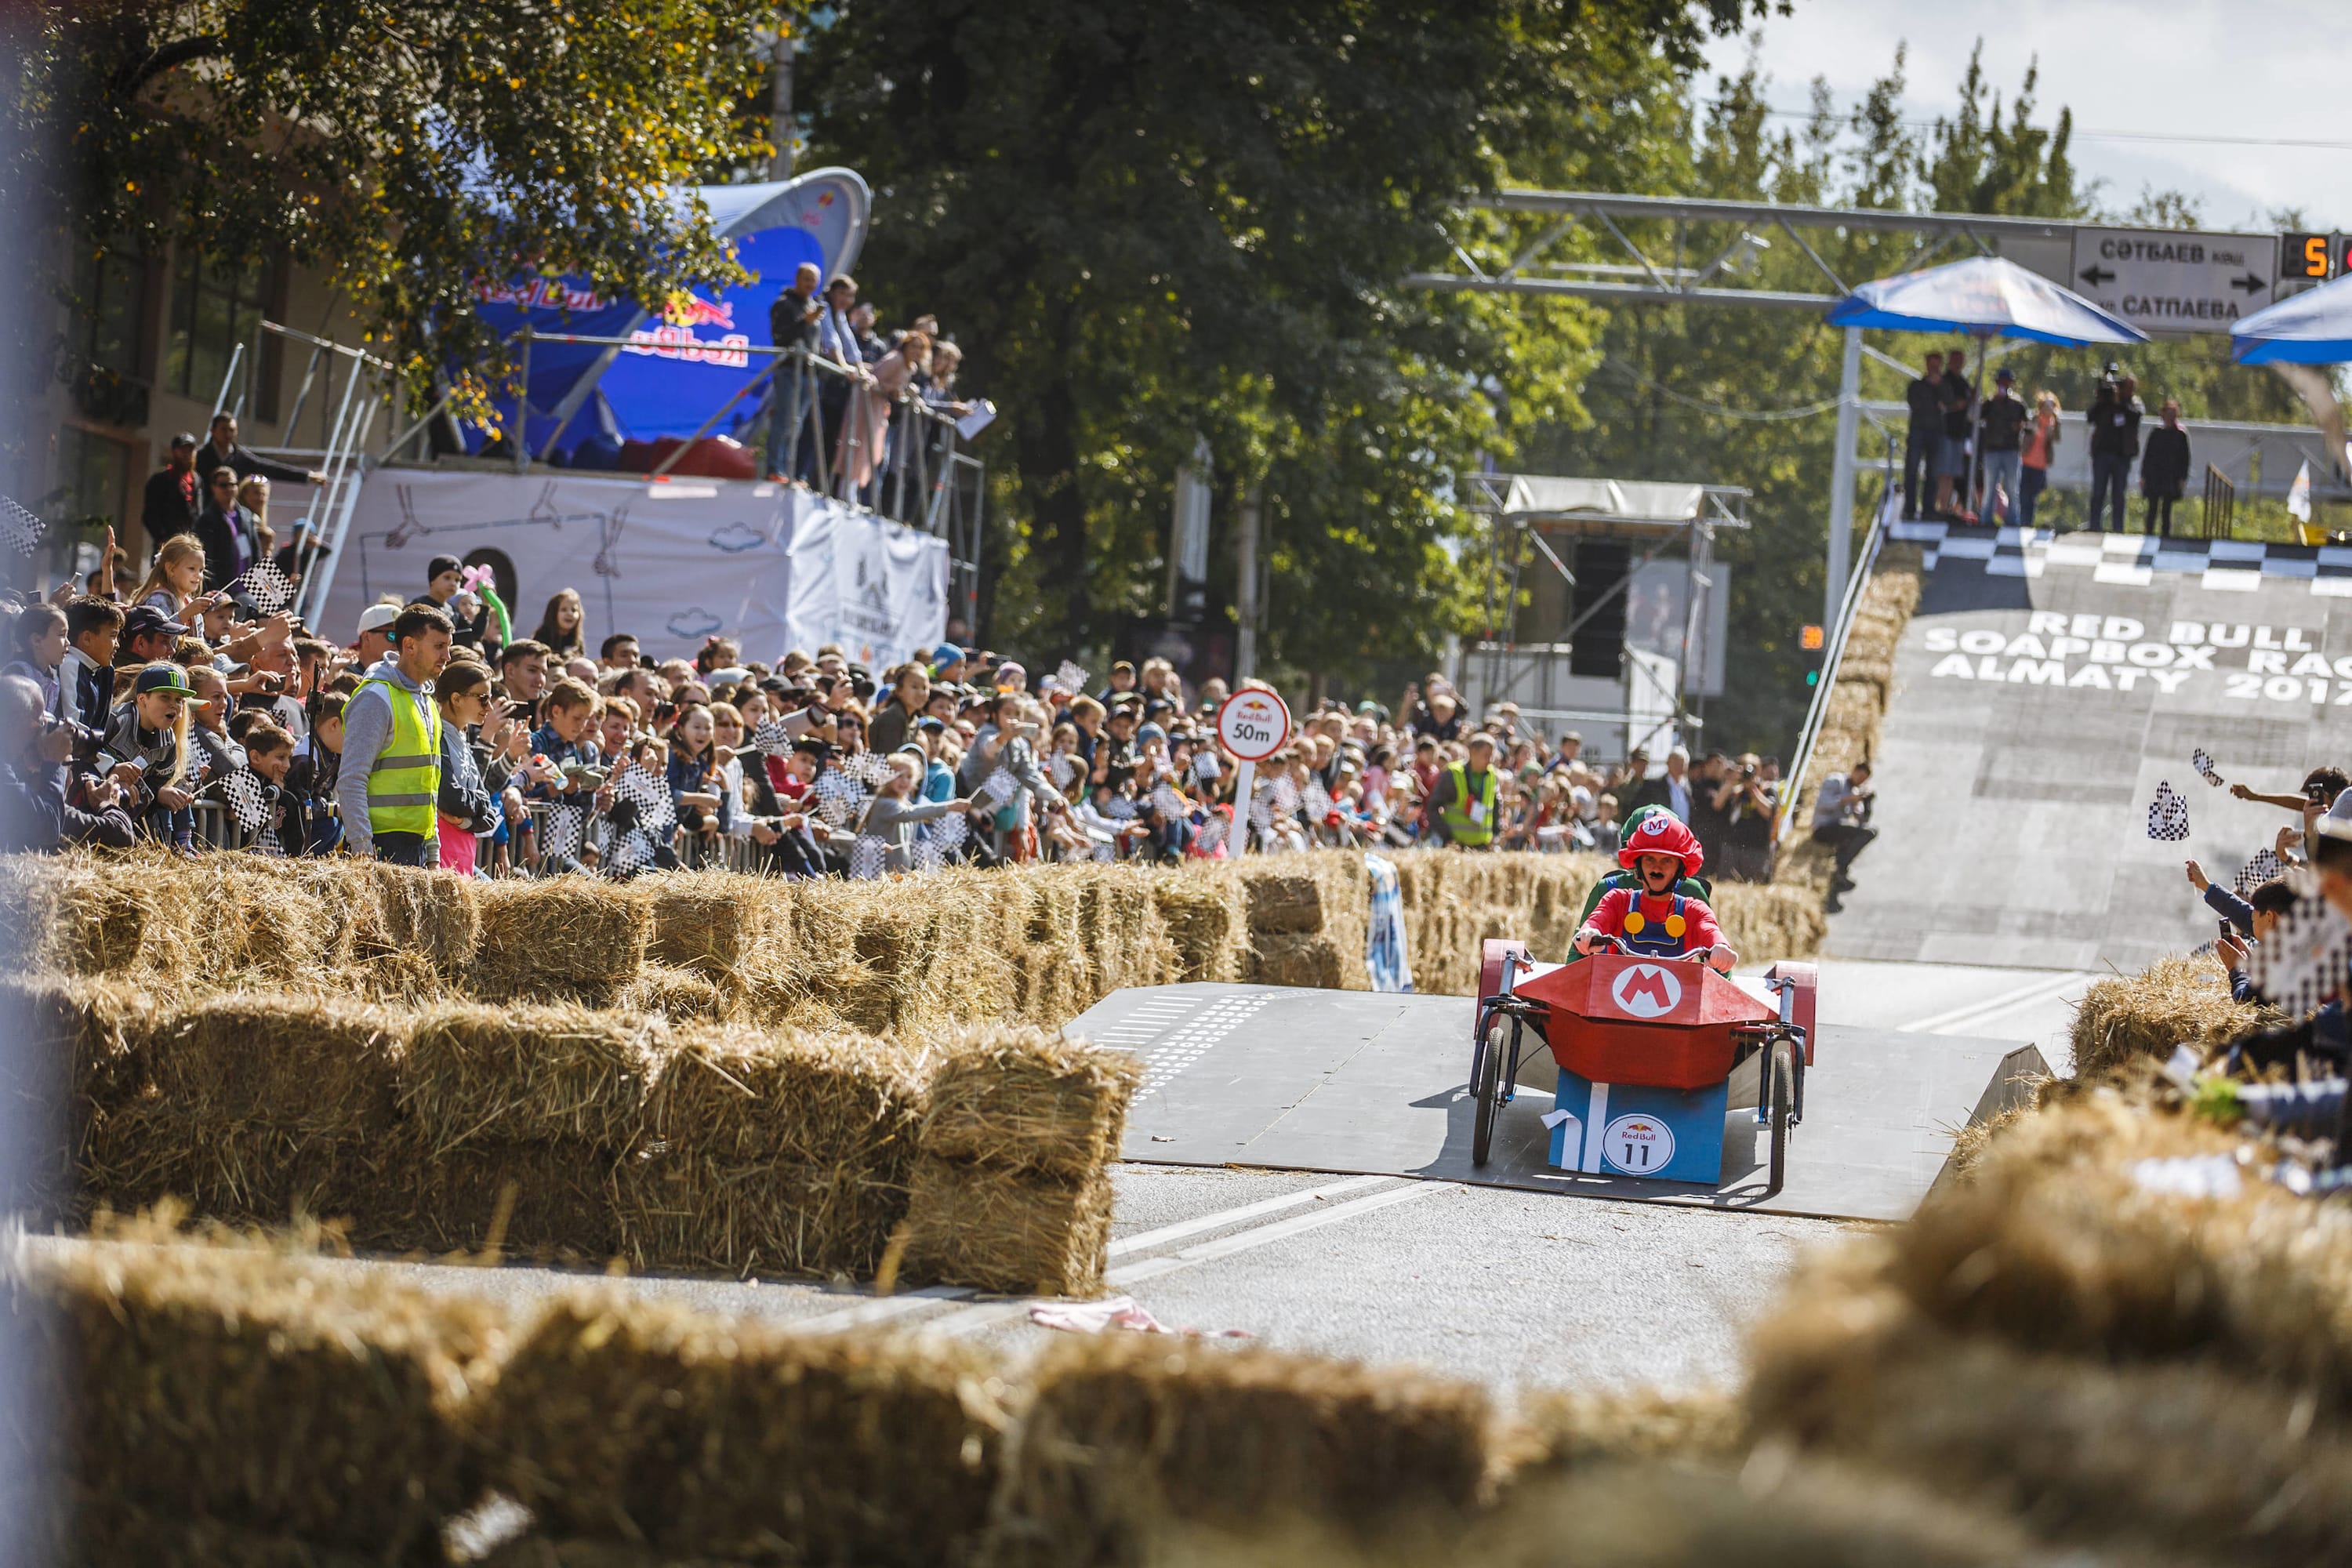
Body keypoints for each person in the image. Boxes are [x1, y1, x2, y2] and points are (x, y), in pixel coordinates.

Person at [336, 601, 454, 866]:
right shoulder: (375, 697)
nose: (447, 656)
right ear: (410, 646)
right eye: (439, 646)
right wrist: (362, 849)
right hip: (378, 847)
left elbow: (429, 784)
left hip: (416, 848)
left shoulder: (428, 703)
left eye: (448, 646)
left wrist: (433, 853)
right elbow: (352, 779)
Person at [1571, 813, 1737, 973]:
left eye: (1667, 860)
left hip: (1680, 1000)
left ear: (1680, 868)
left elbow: (1710, 931)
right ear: (1639, 864)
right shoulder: (1616, 900)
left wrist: (1720, 947)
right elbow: (1597, 920)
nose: (1657, 868)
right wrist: (1589, 932)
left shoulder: (1695, 911)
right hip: (1614, 1000)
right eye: (1650, 859)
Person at [766, 260, 825, 483]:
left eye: (814, 280)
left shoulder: (814, 306)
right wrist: (804, 322)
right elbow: (780, 336)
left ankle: (788, 470)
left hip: (808, 374)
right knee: (784, 419)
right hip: (788, 371)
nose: (810, 284)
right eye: (806, 278)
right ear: (797, 279)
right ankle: (774, 468)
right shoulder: (783, 304)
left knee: (797, 423)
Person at [194, 412, 323, 490]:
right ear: (212, 431)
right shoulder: (199, 456)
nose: (228, 434)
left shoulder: (240, 457)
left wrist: (307, 476)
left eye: (232, 430)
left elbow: (270, 468)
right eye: (223, 429)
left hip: (231, 515)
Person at [1811, 760, 1875, 910]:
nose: (1860, 781)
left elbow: (1861, 821)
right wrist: (1851, 799)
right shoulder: (1836, 781)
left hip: (1841, 829)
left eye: (1864, 780)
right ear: (1855, 770)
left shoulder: (1855, 792)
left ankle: (1841, 867)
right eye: (1860, 777)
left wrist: (1867, 803)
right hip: (1824, 827)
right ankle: (1839, 867)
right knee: (1855, 831)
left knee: (1867, 833)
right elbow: (1823, 804)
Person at [2086, 369, 2143, 534]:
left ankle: (2118, 528)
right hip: (2102, 453)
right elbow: (2090, 417)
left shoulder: (2134, 403)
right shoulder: (2105, 401)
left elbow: (2135, 417)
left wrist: (2120, 403)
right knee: (2098, 492)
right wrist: (2103, 398)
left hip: (2122, 455)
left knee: (2119, 493)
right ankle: (2095, 525)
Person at [1428, 731, 1501, 849]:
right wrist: (1447, 837)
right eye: (1486, 755)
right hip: (1455, 847)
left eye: (1492, 756)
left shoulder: (1492, 775)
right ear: (1472, 752)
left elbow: (1496, 805)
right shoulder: (1452, 774)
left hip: (1483, 847)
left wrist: (1496, 834)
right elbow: (1432, 808)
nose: (1490, 760)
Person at [194, 464, 261, 591]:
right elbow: (206, 559)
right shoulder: (206, 519)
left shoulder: (246, 515)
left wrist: (271, 595)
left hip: (247, 588)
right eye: (223, 485)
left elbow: (256, 553)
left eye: (233, 484)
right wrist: (215, 590)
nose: (229, 489)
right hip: (223, 588)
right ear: (214, 487)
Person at [1976, 367, 2027, 524]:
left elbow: (2027, 423)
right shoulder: (1990, 402)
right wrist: (1992, 400)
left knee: (2013, 488)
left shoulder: (2017, 404)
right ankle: (1986, 519)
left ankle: (2013, 520)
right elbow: (1977, 416)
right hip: (1992, 449)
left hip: (2011, 450)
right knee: (1990, 487)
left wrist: (2019, 427)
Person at [139, 434, 202, 554]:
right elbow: (150, 515)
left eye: (191, 450)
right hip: (167, 546)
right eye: (183, 450)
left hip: (190, 546)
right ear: (174, 452)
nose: (187, 454)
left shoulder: (197, 480)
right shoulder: (160, 480)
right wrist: (162, 538)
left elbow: (198, 513)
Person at [1902, 350, 1944, 521]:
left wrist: (1939, 386)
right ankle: (1910, 508)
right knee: (1911, 470)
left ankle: (1928, 508)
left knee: (1933, 473)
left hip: (1935, 433)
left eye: (1937, 364)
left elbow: (1949, 402)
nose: (1934, 368)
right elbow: (1916, 404)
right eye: (1931, 364)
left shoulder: (1943, 386)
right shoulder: (1916, 386)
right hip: (1918, 432)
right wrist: (1931, 389)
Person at [2140, 400, 2190, 537]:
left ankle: (2166, 534)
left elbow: (2185, 459)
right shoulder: (2157, 433)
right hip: (2155, 475)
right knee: (2153, 506)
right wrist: (2144, 475)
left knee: (2167, 508)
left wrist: (2182, 478)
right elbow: (2148, 455)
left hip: (2171, 476)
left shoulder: (2180, 435)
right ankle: (2149, 532)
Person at [1933, 347, 1972, 519]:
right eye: (1956, 359)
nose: (1958, 363)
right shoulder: (1944, 381)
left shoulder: (1963, 383)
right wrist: (1955, 406)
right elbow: (1942, 404)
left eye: (1961, 360)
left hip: (1959, 434)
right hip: (1945, 431)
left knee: (1953, 473)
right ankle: (1941, 506)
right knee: (1944, 472)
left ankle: (1947, 506)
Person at [2019, 391, 2060, 532]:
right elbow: (2027, 430)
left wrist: (2053, 423)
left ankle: (2029, 521)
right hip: (2027, 461)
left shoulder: (2053, 424)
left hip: (2041, 464)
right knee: (2024, 493)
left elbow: (2056, 438)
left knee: (2033, 495)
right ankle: (2023, 520)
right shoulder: (2035, 419)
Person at [532, 589, 586, 661]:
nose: (570, 614)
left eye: (574, 610)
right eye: (564, 610)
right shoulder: (542, 637)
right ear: (553, 614)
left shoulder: (577, 641)